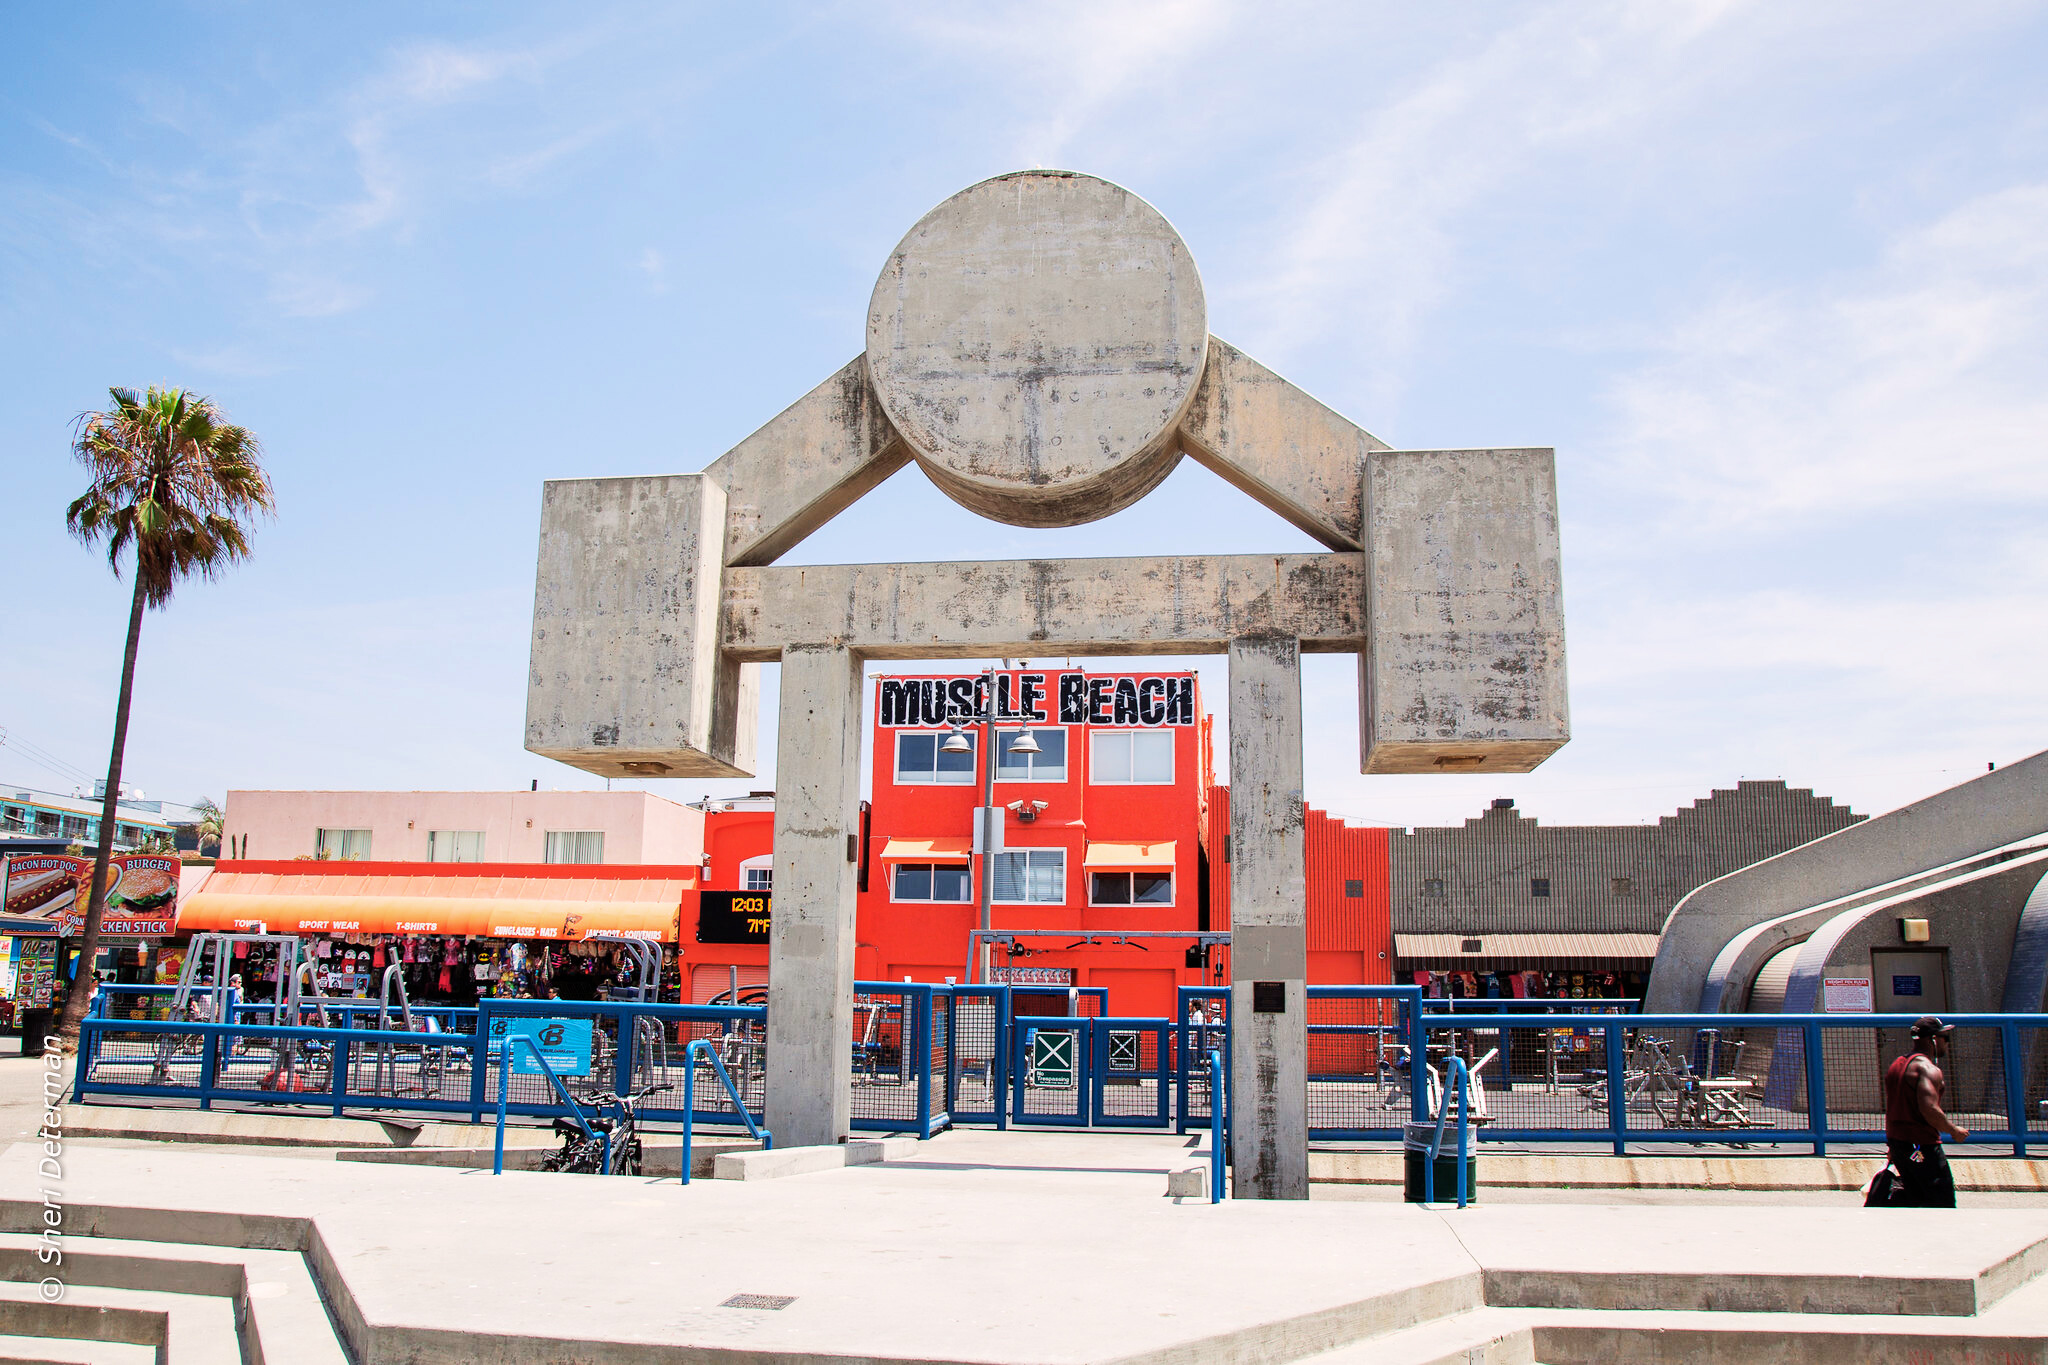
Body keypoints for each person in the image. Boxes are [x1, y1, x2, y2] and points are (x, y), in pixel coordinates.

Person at [1882, 1016, 1968, 1207]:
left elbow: (1895, 1106)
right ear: (1934, 1039)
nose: (1947, 1043)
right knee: (1941, 1199)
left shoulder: (1897, 1064)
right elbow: (1929, 1109)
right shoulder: (1928, 1069)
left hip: (1899, 1144)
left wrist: (1892, 1148)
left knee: (1914, 1196)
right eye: (1945, 1037)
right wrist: (1954, 1130)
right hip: (1921, 1147)